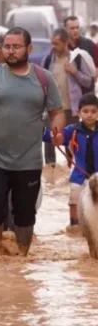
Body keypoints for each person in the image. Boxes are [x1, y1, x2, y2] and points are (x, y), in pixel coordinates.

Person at [0, 27, 64, 256]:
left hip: (29, 159)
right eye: (7, 47)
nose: (10, 51)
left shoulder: (43, 78)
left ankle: (21, 256)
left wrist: (57, 131)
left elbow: (56, 111)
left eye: (16, 47)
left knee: (25, 213)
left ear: (28, 49)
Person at [43, 93, 98, 230]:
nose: (89, 115)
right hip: (79, 174)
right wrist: (51, 135)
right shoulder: (72, 130)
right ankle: (74, 225)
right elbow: (55, 137)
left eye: (93, 112)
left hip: (97, 175)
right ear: (78, 112)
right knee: (74, 197)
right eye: (85, 111)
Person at [42, 28, 93, 166]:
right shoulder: (48, 60)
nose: (53, 46)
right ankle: (50, 168)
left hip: (71, 108)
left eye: (56, 43)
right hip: (53, 108)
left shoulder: (77, 58)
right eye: (52, 43)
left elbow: (88, 81)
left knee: (71, 141)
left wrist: (74, 71)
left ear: (65, 43)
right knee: (50, 139)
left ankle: (72, 169)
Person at [64, 16, 98, 80]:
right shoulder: (63, 47)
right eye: (72, 28)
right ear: (65, 29)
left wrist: (92, 80)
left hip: (87, 86)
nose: (76, 30)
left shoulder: (89, 45)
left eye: (77, 27)